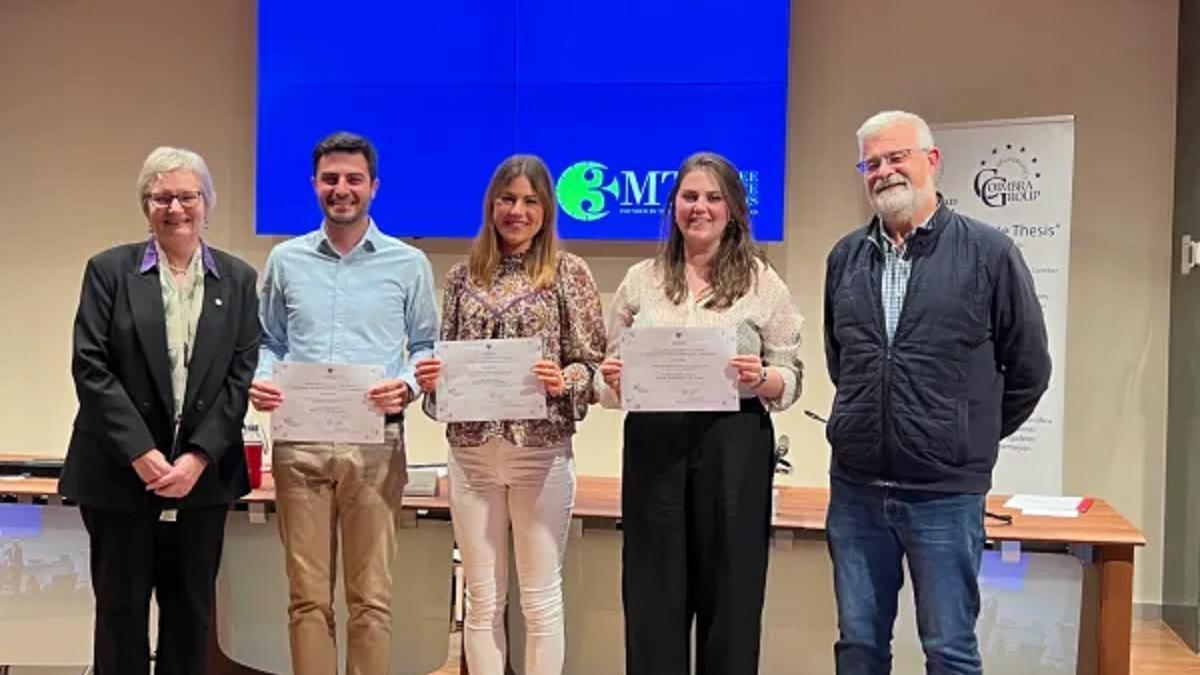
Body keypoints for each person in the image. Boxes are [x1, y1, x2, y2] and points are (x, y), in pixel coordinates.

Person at [822, 110, 1051, 674]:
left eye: (896, 157)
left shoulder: (990, 253)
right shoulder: (844, 258)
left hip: (946, 494)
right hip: (856, 491)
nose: (884, 171)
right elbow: (842, 362)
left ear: (931, 160)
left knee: (948, 649)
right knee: (858, 646)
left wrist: (961, 432)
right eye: (871, 162)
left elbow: (1029, 370)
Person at [597, 151, 804, 675]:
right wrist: (612, 379)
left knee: (731, 598)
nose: (700, 207)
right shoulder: (642, 279)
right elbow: (607, 370)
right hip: (653, 448)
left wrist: (762, 378)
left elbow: (790, 375)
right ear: (674, 206)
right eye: (689, 197)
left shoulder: (763, 282)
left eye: (713, 197)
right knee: (653, 597)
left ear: (733, 208)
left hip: (733, 446)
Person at [60, 146, 260, 675]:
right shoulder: (109, 271)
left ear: (207, 202)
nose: (175, 208)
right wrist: (142, 454)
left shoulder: (237, 280)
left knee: (191, 617)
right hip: (119, 477)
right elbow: (91, 368)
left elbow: (240, 377)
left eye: (187, 195)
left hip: (203, 481)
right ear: (146, 206)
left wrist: (197, 457)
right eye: (161, 196)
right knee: (120, 616)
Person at [248, 131, 439, 675]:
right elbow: (269, 341)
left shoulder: (408, 264)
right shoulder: (285, 259)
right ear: (315, 185)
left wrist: (406, 384)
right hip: (298, 446)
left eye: (353, 179)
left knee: (371, 600)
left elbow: (426, 346)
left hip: (375, 444)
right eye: (330, 179)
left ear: (373, 187)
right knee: (306, 599)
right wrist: (262, 379)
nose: (342, 189)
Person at [413, 155, 605, 675]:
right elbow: (445, 367)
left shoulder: (570, 274)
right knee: (481, 599)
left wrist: (564, 380)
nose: (516, 211)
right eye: (507, 199)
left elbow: (592, 365)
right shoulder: (460, 278)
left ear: (546, 209)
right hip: (471, 456)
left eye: (529, 201)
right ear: (491, 204)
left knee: (539, 600)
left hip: (539, 454)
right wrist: (434, 383)